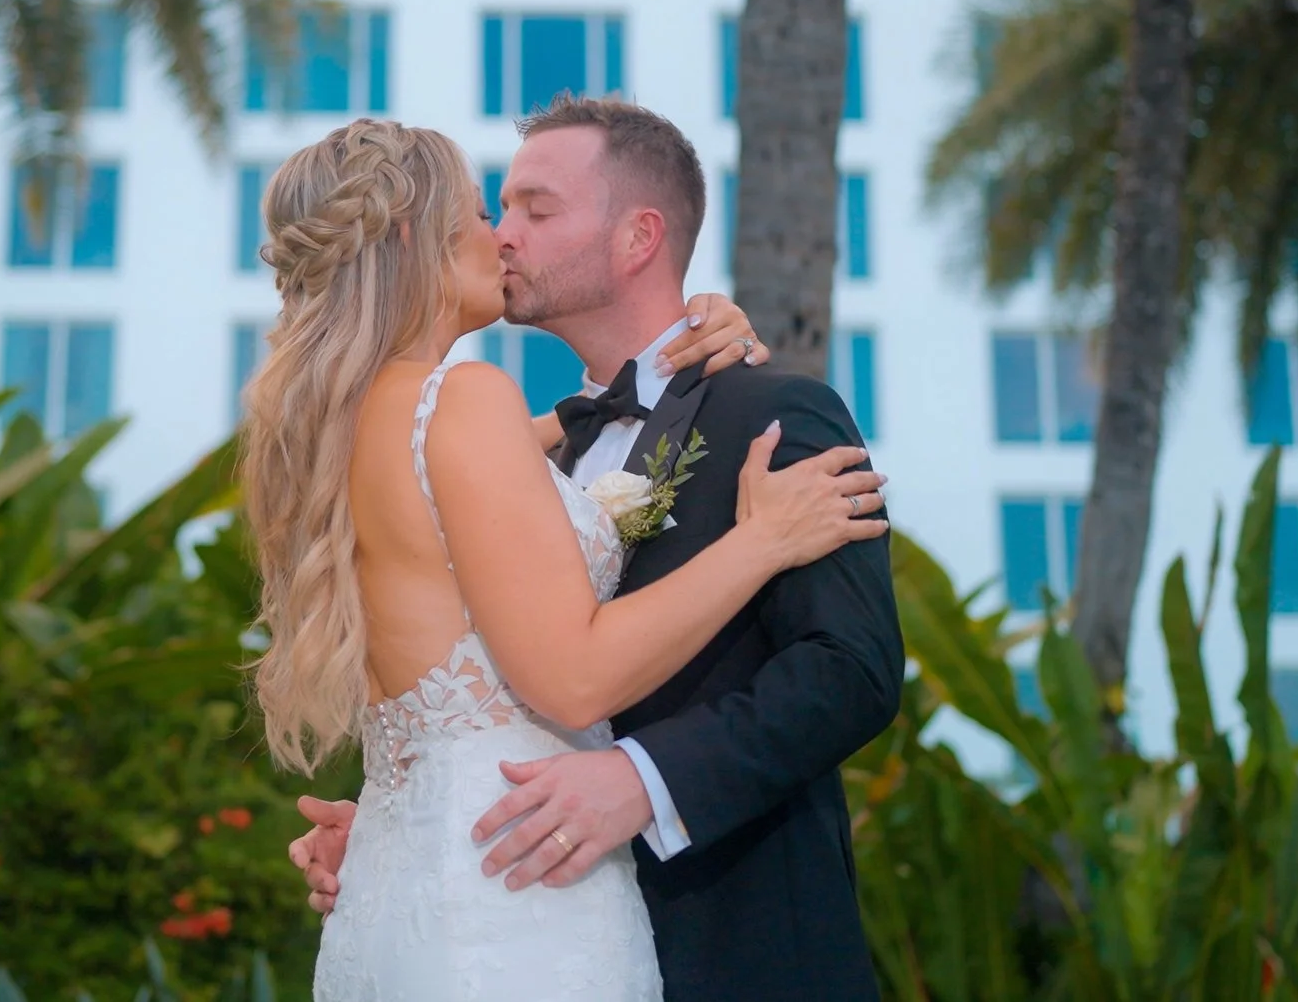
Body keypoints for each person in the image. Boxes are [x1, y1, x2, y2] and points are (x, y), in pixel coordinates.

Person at [267, 99, 903, 1001]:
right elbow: (540, 677)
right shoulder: (485, 428)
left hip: (729, 943)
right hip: (523, 926)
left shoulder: (765, 412)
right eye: (491, 211)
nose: (503, 233)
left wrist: (644, 782)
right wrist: (401, 823)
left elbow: (852, 670)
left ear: (639, 235)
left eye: (533, 206)